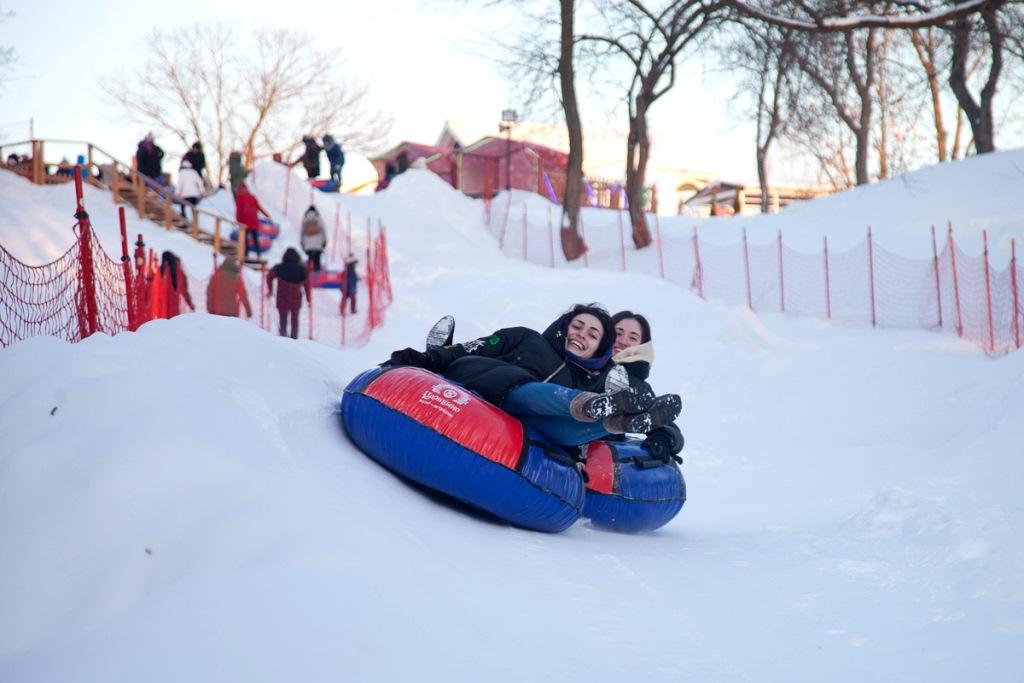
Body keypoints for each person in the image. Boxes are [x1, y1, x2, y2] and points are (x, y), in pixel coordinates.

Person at [387, 304, 681, 445]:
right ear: (563, 326)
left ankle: (616, 421)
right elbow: (474, 348)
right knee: (528, 391)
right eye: (576, 326)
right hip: (499, 389)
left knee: (567, 430)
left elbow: (645, 398)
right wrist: (428, 359)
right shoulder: (527, 339)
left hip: (540, 429)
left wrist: (665, 434)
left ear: (600, 348)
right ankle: (592, 407)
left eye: (592, 334)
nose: (581, 335)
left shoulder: (598, 378)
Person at [267, 247, 312, 339]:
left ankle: (283, 339)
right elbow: (307, 285)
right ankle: (294, 340)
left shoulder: (279, 267)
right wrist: (309, 299)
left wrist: (270, 291)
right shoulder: (302, 269)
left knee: (283, 321)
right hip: (295, 299)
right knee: (295, 321)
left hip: (282, 298)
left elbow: (269, 276)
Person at [234, 183, 271, 260]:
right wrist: (266, 214)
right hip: (254, 221)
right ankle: (258, 254)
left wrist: (238, 220)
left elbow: (239, 211)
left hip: (245, 222)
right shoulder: (252, 197)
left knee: (245, 239)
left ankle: (246, 255)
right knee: (255, 238)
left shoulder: (240, 198)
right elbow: (259, 207)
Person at [159, 251, 195, 317]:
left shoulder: (161, 270)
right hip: (174, 308)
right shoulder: (180, 272)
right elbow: (185, 291)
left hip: (161, 308)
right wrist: (191, 305)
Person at [300, 206, 327, 271]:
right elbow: (323, 230)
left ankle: (309, 275)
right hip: (318, 243)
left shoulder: (305, 218)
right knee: (317, 260)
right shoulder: (318, 217)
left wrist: (302, 242)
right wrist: (324, 241)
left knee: (310, 259)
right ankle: (317, 276)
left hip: (308, 243)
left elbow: (302, 232)